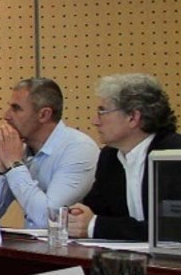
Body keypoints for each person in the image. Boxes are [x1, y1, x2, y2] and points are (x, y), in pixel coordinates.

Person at [0, 77, 98, 228]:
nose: (6, 116)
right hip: (32, 242)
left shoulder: (78, 148)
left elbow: (49, 219)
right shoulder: (19, 150)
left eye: (16, 108)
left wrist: (14, 165)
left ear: (44, 115)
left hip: (66, 243)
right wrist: (0, 167)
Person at [69, 74, 181, 240]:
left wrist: (95, 226)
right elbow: (96, 211)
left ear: (133, 117)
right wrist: (78, 218)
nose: (95, 121)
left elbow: (171, 229)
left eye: (102, 112)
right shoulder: (110, 157)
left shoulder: (173, 157)